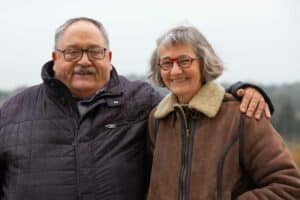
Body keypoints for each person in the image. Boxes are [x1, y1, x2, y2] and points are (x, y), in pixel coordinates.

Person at [0, 17, 272, 200]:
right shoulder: (11, 113)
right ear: (55, 58)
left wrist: (241, 89)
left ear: (108, 57)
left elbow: (191, 104)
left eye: (95, 52)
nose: (84, 61)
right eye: (72, 52)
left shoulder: (143, 103)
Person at [147, 25, 300, 200]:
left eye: (184, 61)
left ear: (203, 63)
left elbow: (289, 186)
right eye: (167, 63)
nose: (175, 71)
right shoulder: (157, 121)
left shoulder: (242, 115)